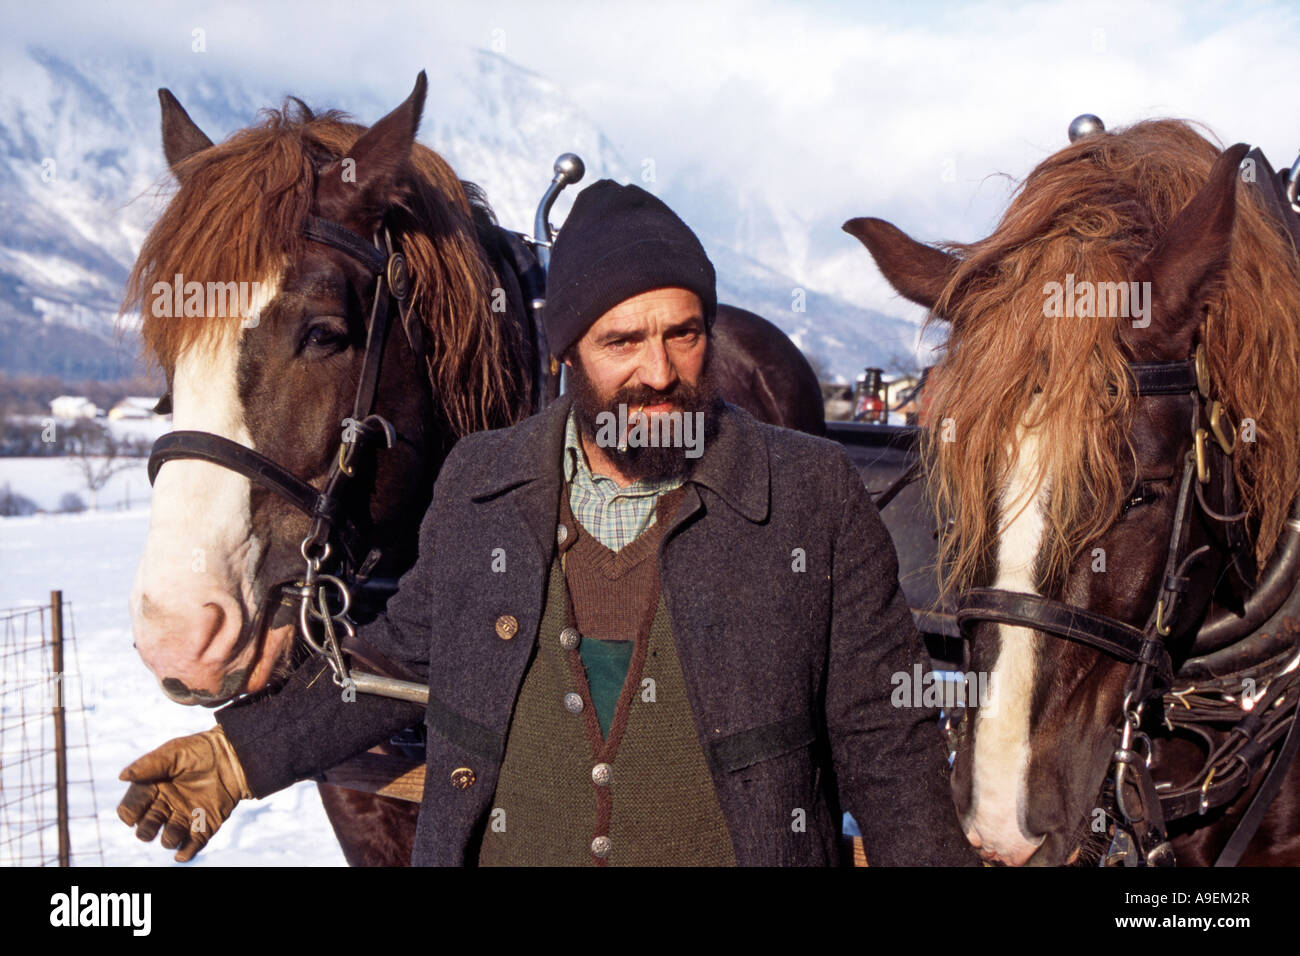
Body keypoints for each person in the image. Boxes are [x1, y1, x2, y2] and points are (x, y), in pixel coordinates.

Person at [117, 180, 977, 866]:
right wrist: (238, 758)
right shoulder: (486, 484)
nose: (658, 370)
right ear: (568, 352)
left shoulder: (811, 491)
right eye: (622, 341)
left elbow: (887, 744)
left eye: (683, 334)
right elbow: (401, 654)